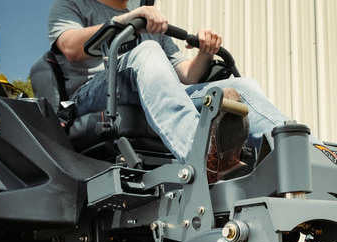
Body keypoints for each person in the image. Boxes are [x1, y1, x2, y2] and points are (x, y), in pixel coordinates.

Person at [48, 0, 288, 180]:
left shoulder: (149, 20)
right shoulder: (72, 5)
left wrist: (205, 53)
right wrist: (128, 19)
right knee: (147, 51)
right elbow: (70, 47)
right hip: (94, 94)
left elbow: (186, 75)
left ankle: (295, 157)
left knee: (241, 87)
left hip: (150, 90)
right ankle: (201, 155)